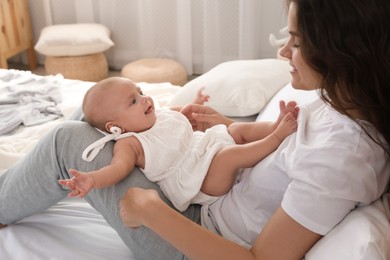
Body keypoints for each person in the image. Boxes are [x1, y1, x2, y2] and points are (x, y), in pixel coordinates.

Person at [0, 0, 389, 259]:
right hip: (204, 199)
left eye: (298, 42)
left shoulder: (342, 158)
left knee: (65, 141)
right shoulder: (340, 101)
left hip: (196, 238)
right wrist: (229, 128)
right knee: (98, 114)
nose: (284, 52)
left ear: (345, 54)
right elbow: (287, 145)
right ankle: (21, 184)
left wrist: (152, 213)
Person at [58, 77, 298, 212]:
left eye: (140, 92)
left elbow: (183, 115)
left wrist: (195, 103)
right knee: (230, 157)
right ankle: (275, 139)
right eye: (133, 101)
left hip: (204, 148)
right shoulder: (130, 144)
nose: (145, 99)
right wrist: (93, 179)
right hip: (198, 179)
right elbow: (117, 169)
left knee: (235, 129)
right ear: (115, 127)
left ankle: (274, 126)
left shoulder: (156, 114)